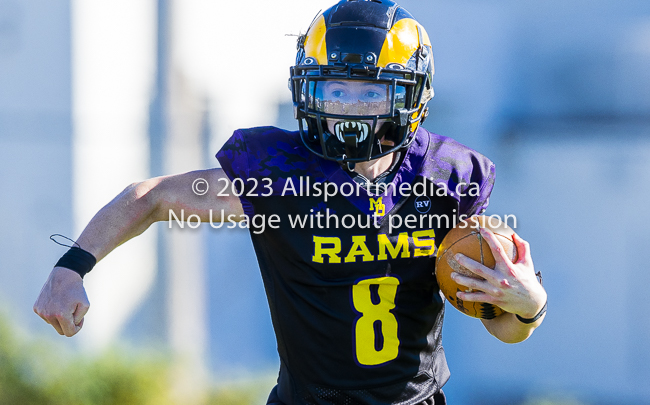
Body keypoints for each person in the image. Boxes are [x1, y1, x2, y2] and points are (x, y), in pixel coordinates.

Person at [34, 1, 547, 404]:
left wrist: (529, 306)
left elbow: (499, 319)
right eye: (334, 90)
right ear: (307, 92)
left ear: (412, 96)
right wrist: (72, 265)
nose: (349, 108)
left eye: (370, 93)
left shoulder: (446, 178)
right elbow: (148, 197)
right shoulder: (280, 176)